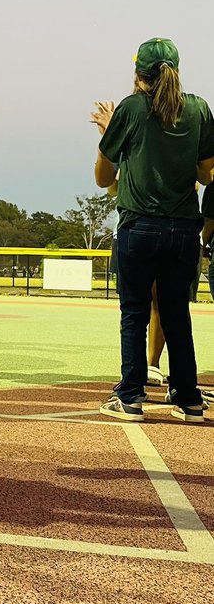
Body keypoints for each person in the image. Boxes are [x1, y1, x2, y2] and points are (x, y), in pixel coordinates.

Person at [93, 38, 214, 422]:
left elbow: (102, 177)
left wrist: (111, 135)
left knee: (134, 313)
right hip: (183, 229)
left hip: (139, 226)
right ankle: (188, 398)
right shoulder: (198, 109)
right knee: (177, 312)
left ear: (138, 74)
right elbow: (207, 173)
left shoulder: (131, 109)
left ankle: (130, 396)